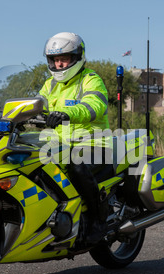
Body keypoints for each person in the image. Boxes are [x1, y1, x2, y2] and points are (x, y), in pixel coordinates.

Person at [37, 32, 112, 243]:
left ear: (77, 57)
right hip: (58, 146)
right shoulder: (49, 85)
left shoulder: (90, 79)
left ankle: (99, 220)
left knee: (77, 165)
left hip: (93, 144)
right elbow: (35, 103)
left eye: (64, 60)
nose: (59, 65)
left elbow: (95, 105)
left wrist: (68, 114)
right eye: (55, 60)